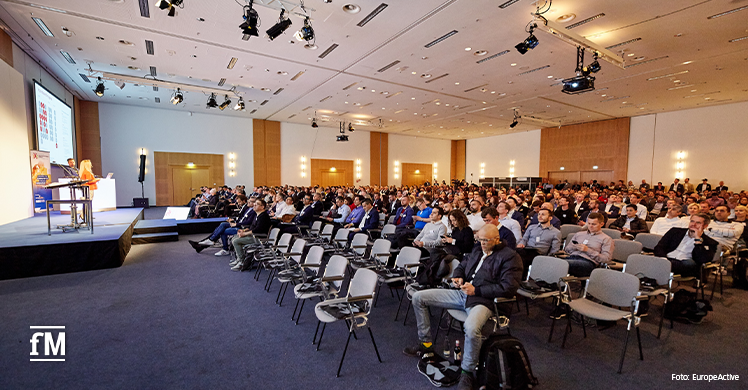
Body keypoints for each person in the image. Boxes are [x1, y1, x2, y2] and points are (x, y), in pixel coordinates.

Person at [403, 224, 522, 390]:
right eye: (479, 240)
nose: (481, 243)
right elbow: (462, 266)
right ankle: (426, 344)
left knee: (472, 328)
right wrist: (458, 276)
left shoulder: (510, 257)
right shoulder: (477, 250)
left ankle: (467, 372)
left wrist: (477, 290)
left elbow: (509, 287)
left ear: (496, 240)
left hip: (483, 300)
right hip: (462, 294)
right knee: (418, 298)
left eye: (485, 241)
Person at [653, 213, 718, 277]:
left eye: (698, 223)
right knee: (648, 260)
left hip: (686, 263)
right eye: (692, 221)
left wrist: (698, 240)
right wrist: (664, 259)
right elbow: (659, 247)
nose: (694, 224)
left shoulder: (710, 242)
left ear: (705, 226)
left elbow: (701, 260)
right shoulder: (675, 231)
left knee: (688, 263)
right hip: (667, 258)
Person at [190, 195, 254, 255]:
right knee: (221, 226)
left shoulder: (251, 210)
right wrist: (233, 220)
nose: (248, 202)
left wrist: (235, 223)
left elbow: (247, 222)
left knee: (222, 229)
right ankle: (205, 243)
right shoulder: (248, 209)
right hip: (238, 224)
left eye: (250, 201)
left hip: (242, 227)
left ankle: (220, 246)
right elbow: (241, 218)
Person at [516, 208, 561, 277]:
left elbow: (555, 249)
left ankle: (519, 278)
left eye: (543, 215)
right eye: (539, 214)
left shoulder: (556, 232)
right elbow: (524, 239)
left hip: (539, 253)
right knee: (513, 253)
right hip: (527, 249)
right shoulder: (531, 227)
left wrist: (549, 259)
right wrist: (521, 244)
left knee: (522, 257)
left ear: (550, 218)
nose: (540, 216)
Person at [230, 199, 272, 271]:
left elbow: (258, 229)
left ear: (262, 207)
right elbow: (253, 227)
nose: (254, 205)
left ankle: (242, 262)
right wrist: (244, 230)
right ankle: (239, 259)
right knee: (234, 238)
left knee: (236, 241)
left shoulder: (264, 216)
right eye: (254, 203)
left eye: (257, 204)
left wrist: (245, 233)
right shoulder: (257, 215)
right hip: (254, 235)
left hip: (260, 238)